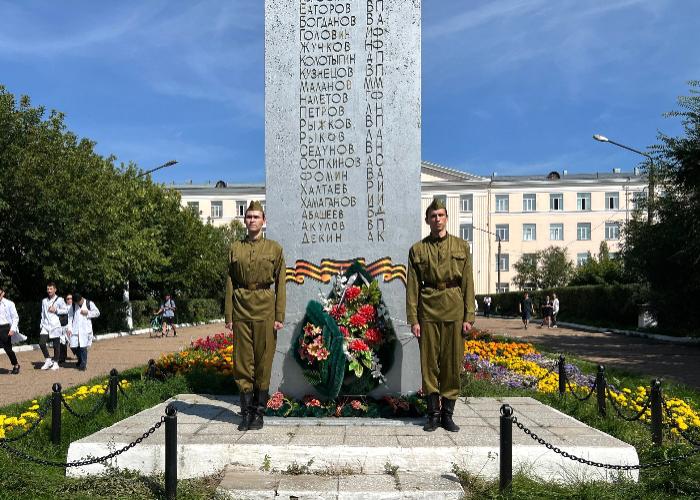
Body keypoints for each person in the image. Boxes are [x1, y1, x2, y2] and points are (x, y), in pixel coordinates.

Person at [406, 197, 475, 433]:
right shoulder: (417, 249)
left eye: (441, 215)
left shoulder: (461, 246)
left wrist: (469, 316)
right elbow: (412, 287)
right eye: (433, 216)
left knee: (452, 363)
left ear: (447, 218)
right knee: (429, 365)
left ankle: (448, 414)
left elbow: (468, 282)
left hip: (454, 308)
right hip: (428, 309)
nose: (437, 219)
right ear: (427, 220)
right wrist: (413, 319)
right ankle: (433, 414)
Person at [225, 201, 286, 431]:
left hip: (265, 309)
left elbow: (281, 283)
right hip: (241, 307)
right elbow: (229, 282)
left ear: (264, 220)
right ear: (245, 220)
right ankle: (246, 412)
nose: (252, 220)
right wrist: (228, 315)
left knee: (263, 360)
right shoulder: (235, 249)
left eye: (256, 217)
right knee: (242, 362)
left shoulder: (274, 249)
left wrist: (279, 315)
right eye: (249, 216)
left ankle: (259, 413)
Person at [38, 282, 68, 370]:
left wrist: (56, 310)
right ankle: (48, 359)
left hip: (55, 324)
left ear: (55, 289)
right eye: (48, 289)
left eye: (51, 289)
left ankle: (55, 362)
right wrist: (41, 324)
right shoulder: (44, 301)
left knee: (56, 345)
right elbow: (43, 313)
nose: (49, 290)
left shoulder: (60, 299)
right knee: (42, 343)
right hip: (45, 325)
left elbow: (65, 310)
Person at [67, 293, 100, 371]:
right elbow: (70, 317)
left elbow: (97, 313)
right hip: (75, 329)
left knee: (83, 347)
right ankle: (81, 359)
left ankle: (83, 365)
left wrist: (88, 313)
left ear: (81, 299)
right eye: (76, 303)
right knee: (73, 346)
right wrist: (69, 328)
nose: (77, 304)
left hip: (85, 329)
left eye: (78, 302)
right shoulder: (74, 305)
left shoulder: (89, 303)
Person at [0, 285, 21, 374]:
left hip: (5, 328)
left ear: (3, 293)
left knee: (8, 349)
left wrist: (12, 329)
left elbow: (15, 317)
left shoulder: (9, 304)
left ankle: (16, 364)